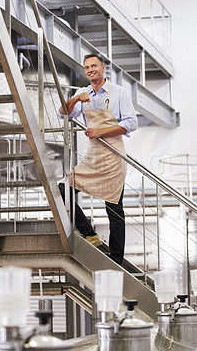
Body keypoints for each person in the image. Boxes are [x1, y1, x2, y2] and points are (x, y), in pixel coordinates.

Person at [58, 54, 137, 265]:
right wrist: (75, 99)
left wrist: (101, 131)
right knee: (63, 189)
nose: (90, 69)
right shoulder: (82, 93)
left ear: (103, 68)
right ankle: (89, 234)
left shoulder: (119, 93)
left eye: (94, 66)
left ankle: (116, 260)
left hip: (114, 154)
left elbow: (131, 122)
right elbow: (62, 113)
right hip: (93, 154)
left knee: (114, 208)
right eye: (86, 67)